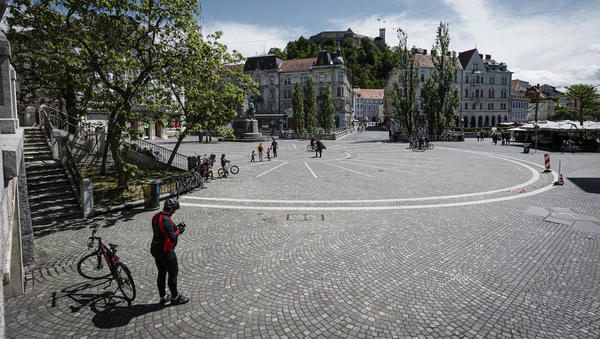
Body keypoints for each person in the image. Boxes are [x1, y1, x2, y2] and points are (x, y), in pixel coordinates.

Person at [150, 199, 189, 305]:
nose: (174, 212)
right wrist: (179, 231)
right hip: (166, 252)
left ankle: (163, 296)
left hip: (155, 249)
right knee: (173, 274)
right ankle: (175, 297)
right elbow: (172, 237)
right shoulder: (166, 220)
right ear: (170, 209)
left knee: (161, 273)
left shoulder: (156, 217)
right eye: (174, 210)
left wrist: (174, 228)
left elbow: (164, 232)